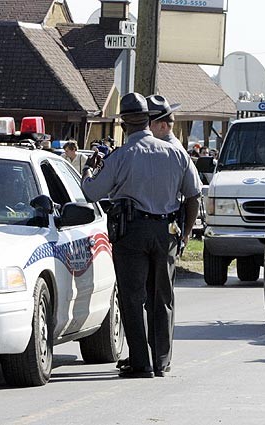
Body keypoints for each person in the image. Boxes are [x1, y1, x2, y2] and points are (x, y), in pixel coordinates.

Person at [81, 92, 201, 379]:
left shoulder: (121, 156)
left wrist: (88, 170)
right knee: (163, 297)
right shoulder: (176, 153)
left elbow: (91, 192)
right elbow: (194, 195)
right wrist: (185, 234)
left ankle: (140, 362)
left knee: (132, 297)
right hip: (166, 231)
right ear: (148, 120)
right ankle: (162, 361)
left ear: (124, 124)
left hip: (132, 232)